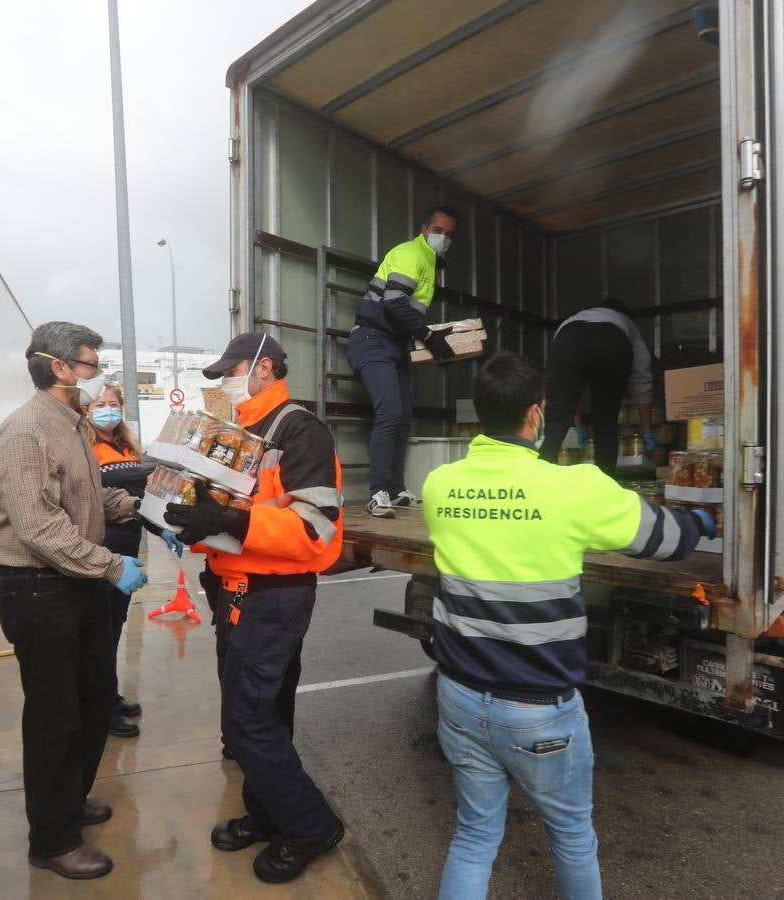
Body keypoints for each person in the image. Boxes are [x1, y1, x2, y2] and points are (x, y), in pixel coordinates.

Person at [423, 352, 715, 900]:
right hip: (538, 708)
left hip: (459, 695)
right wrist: (700, 518)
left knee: (474, 834)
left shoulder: (441, 486)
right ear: (536, 415)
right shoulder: (575, 488)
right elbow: (666, 541)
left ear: (481, 414)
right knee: (573, 836)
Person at [164, 332, 346, 884]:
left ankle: (312, 825)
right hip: (235, 592)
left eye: (233, 370)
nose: (225, 383)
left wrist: (227, 521)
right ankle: (268, 813)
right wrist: (189, 519)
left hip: (272, 598)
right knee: (264, 714)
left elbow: (316, 527)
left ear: (264, 367)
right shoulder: (244, 430)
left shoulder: (298, 429)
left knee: (247, 722)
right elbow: (232, 511)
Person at [0, 322, 150, 881]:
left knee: (94, 697)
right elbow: (39, 527)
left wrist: (144, 511)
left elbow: (87, 494)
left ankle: (69, 801)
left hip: (76, 586)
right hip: (39, 589)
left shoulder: (73, 426)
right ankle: (52, 840)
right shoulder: (27, 431)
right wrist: (111, 564)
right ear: (57, 367)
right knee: (56, 716)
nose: (95, 371)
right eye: (88, 361)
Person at [348, 206, 460, 518]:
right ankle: (378, 492)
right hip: (371, 340)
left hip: (393, 345)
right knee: (390, 413)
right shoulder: (411, 253)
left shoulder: (430, 263)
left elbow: (405, 315)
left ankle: (395, 489)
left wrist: (435, 345)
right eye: (439, 230)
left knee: (404, 417)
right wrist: (429, 335)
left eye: (450, 234)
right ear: (425, 229)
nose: (443, 238)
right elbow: (394, 302)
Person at [83, 383, 167, 739]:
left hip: (130, 541)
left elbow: (141, 496)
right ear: (87, 410)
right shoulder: (84, 446)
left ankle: (109, 695)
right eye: (100, 404)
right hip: (102, 546)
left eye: (113, 403)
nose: (107, 409)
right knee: (98, 633)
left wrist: (162, 528)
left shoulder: (127, 446)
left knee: (113, 628)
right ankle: (98, 709)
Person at [539, 298, 656, 477]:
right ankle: (605, 485)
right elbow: (642, 380)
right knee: (605, 423)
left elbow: (566, 390)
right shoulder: (626, 323)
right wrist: (646, 430)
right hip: (611, 342)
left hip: (568, 339)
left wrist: (579, 426)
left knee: (554, 426)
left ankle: (539, 483)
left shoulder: (571, 321)